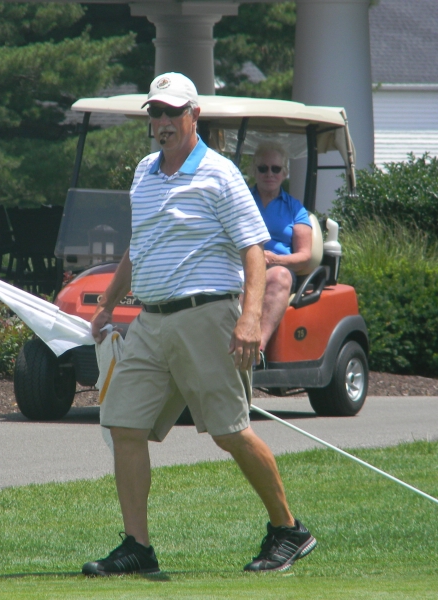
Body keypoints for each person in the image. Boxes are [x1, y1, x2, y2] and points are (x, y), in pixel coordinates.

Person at [82, 73, 315, 577]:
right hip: (151, 322)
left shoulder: (220, 173)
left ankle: (289, 530)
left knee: (230, 432)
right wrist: (107, 303)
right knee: (123, 424)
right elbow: (138, 246)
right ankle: (137, 548)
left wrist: (250, 320)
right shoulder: (144, 172)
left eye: (173, 112)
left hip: (209, 317)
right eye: (156, 113)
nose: (163, 122)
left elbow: (254, 251)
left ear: (194, 116)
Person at [249, 141, 313, 359]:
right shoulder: (242, 201)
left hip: (279, 268)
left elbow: (305, 256)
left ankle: (256, 349)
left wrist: (274, 259)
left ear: (284, 173)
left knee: (279, 276)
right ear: (254, 171)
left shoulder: (295, 208)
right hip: (244, 265)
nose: (269, 173)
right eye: (263, 168)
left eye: (276, 169)